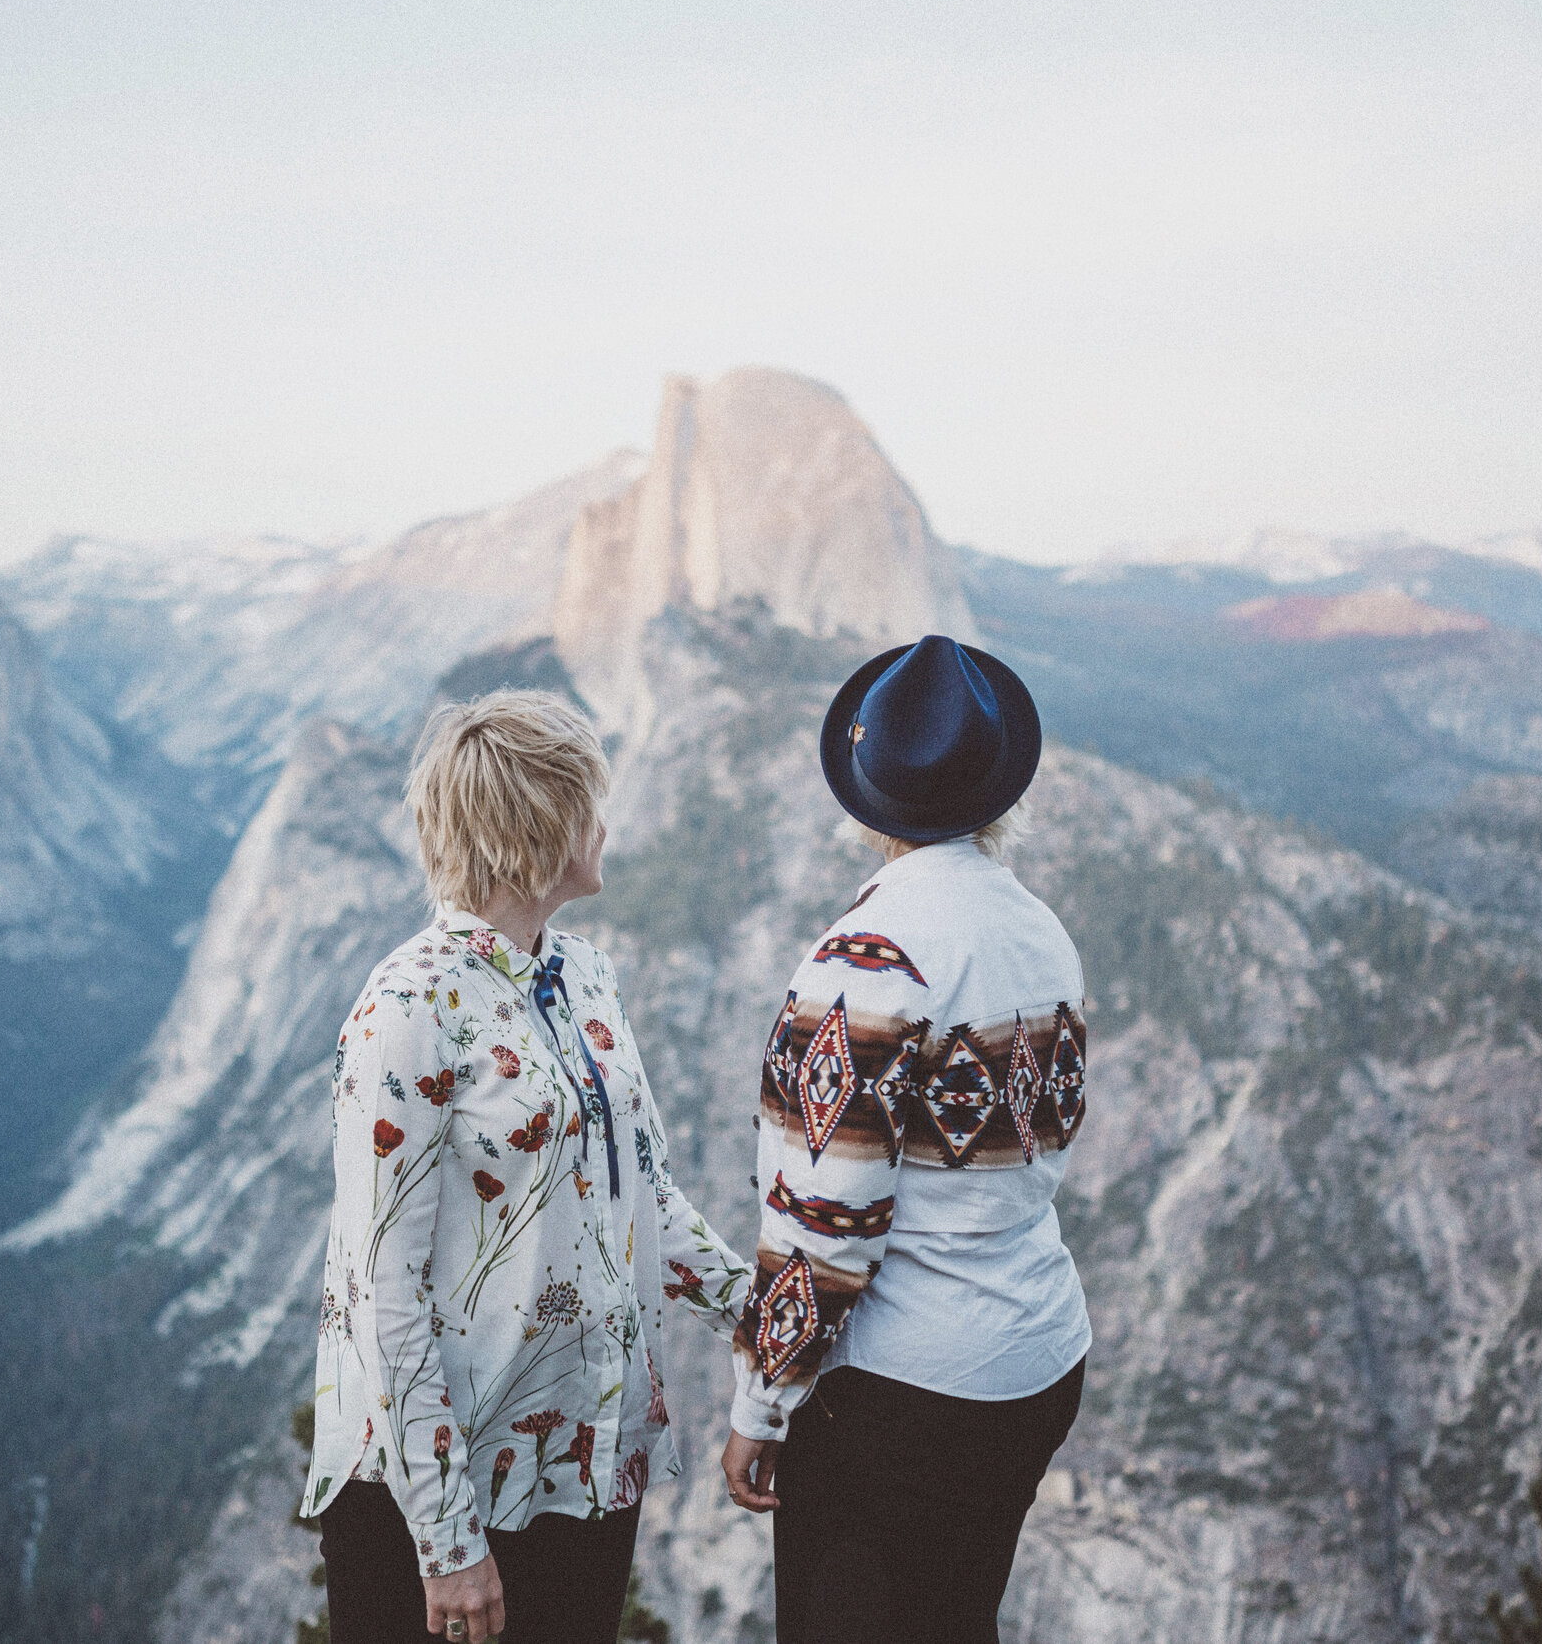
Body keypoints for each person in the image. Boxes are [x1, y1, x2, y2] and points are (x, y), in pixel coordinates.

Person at [302, 691, 751, 1644]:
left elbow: (643, 1190)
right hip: (445, 1489)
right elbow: (383, 1284)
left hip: (582, 1461)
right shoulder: (408, 1007)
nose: (607, 824)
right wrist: (448, 1540)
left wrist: (751, 1311)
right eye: (591, 799)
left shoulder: (582, 974)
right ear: (537, 824)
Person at [721, 635, 1091, 1644]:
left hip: (907, 1393)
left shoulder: (868, 958)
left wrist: (761, 1401)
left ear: (867, 793)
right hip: (1034, 1355)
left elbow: (827, 1218)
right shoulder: (1036, 929)